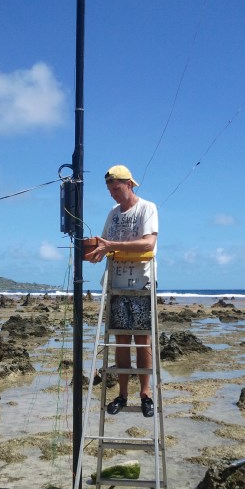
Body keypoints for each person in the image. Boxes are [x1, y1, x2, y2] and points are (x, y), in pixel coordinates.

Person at [88, 165, 158, 418]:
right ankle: (123, 394)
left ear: (129, 184)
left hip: (141, 284)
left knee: (142, 340)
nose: (113, 194)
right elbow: (104, 244)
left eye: (116, 189)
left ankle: (146, 394)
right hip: (116, 285)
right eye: (110, 190)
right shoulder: (113, 213)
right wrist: (93, 252)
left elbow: (148, 243)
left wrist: (111, 245)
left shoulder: (147, 208)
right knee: (120, 341)